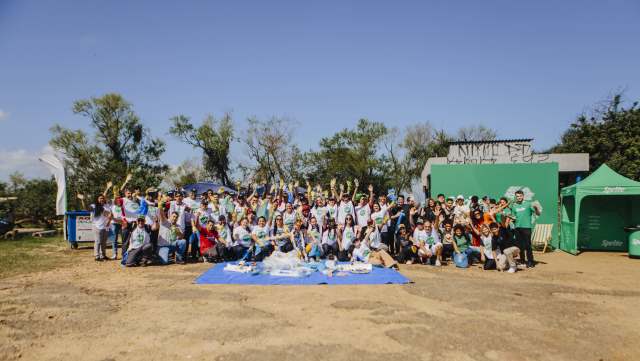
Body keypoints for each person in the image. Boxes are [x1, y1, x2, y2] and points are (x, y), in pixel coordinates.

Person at [512, 190, 541, 268]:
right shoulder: (514, 206)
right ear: (516, 197)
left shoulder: (528, 204)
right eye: (517, 196)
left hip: (526, 227)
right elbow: (513, 217)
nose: (519, 197)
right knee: (520, 246)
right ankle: (522, 260)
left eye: (520, 196)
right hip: (517, 227)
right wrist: (512, 218)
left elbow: (538, 213)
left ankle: (530, 261)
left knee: (528, 245)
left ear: (523, 196)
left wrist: (536, 208)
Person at [157, 196, 187, 265]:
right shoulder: (165, 222)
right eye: (173, 216)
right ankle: (160, 254)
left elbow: (182, 237)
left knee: (183, 242)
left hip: (172, 245)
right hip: (163, 246)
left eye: (176, 217)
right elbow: (161, 214)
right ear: (170, 216)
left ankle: (179, 258)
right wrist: (160, 206)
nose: (174, 218)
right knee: (165, 262)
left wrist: (178, 232)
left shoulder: (178, 226)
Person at [90, 194, 112, 261]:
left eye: (102, 198)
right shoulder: (93, 206)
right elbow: (107, 214)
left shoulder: (107, 206)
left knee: (104, 242)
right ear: (97, 199)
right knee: (98, 241)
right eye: (100, 198)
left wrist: (109, 221)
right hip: (97, 226)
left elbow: (111, 214)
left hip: (105, 227)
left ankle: (103, 255)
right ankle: (97, 256)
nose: (102, 199)